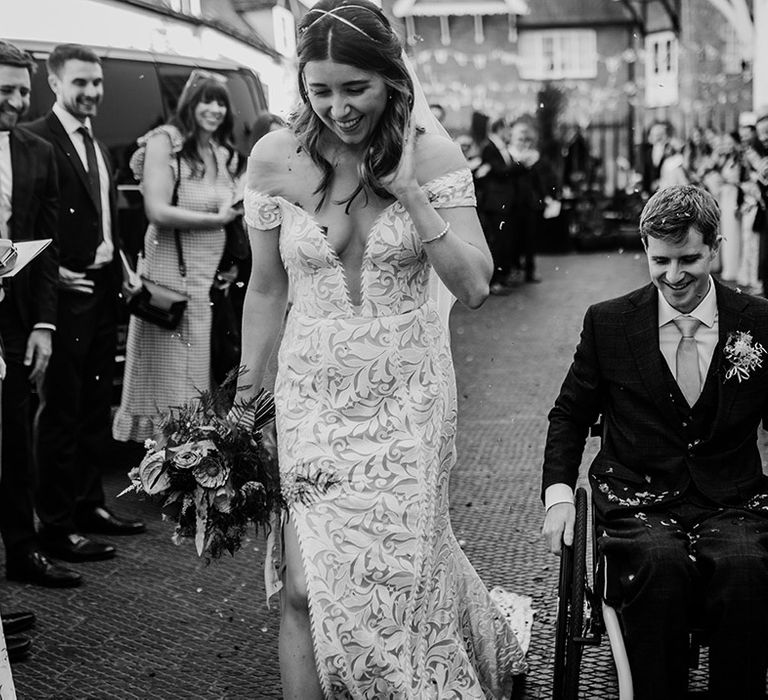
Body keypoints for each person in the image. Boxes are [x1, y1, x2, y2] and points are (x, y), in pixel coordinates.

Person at [234, 1, 529, 696]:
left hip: (409, 399)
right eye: (320, 90)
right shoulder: (274, 158)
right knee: (306, 586)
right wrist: (247, 399)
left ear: (392, 80)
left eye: (354, 88)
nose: (337, 107)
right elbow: (266, 289)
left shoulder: (435, 156)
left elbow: (477, 284)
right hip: (311, 396)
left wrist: (408, 194)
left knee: (404, 576)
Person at [542, 184, 768, 699]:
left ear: (715, 248)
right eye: (660, 260)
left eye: (689, 258)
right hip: (636, 498)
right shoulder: (609, 323)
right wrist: (558, 495)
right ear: (645, 249)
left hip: (732, 500)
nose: (673, 276)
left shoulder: (758, 323)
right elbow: (571, 413)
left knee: (746, 569)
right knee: (658, 569)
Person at [23, 44, 145, 566]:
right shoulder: (36, 137)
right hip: (65, 294)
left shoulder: (96, 142)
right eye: (81, 83)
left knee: (95, 405)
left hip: (101, 290)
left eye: (97, 82)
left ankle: (88, 504)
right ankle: (54, 526)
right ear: (55, 83)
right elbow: (28, 220)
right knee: (61, 413)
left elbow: (104, 217)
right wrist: (50, 272)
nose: (93, 92)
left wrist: (120, 265)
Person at [113, 70, 243, 440]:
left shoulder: (221, 152)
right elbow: (156, 210)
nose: (215, 109)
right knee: (173, 380)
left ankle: (189, 461)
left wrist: (232, 260)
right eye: (206, 99)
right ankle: (171, 463)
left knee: (199, 376)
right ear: (189, 103)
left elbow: (229, 215)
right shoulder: (164, 141)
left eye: (221, 101)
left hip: (206, 282)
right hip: (170, 277)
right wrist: (215, 219)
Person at [0, 42, 83, 591]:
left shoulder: (35, 149)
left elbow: (46, 247)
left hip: (17, 318)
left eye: (23, 91)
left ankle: (23, 552)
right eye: (5, 90)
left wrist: (43, 326)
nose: (16, 101)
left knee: (13, 442)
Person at [479, 117, 516, 294]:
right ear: (500, 128)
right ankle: (493, 281)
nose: (510, 133)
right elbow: (500, 172)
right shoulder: (489, 148)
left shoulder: (501, 148)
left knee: (504, 241)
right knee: (496, 241)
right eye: (508, 128)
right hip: (495, 202)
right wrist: (520, 165)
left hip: (504, 202)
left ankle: (502, 276)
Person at [508, 119, 547, 283]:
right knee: (513, 238)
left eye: (526, 140)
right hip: (513, 204)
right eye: (520, 139)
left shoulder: (535, 158)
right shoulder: (509, 156)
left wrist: (543, 198)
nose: (523, 143)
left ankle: (530, 270)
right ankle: (515, 268)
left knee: (530, 239)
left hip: (529, 203)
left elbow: (540, 181)